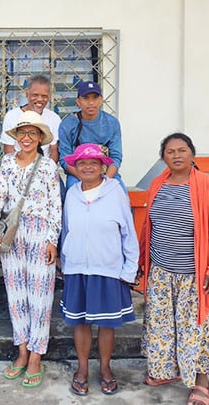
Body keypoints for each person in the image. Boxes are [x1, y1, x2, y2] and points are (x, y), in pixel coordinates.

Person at [140, 133, 209, 405]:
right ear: (163, 157)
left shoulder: (205, 185)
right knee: (163, 326)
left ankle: (202, 381)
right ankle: (167, 371)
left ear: (192, 154)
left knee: (197, 329)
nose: (176, 155)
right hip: (161, 272)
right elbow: (148, 227)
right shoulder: (158, 183)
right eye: (170, 151)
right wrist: (143, 264)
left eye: (182, 150)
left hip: (194, 275)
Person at [0, 111, 62, 389]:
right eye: (23, 133)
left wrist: (52, 239)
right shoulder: (7, 163)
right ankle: (23, 350)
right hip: (13, 234)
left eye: (33, 133)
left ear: (40, 138)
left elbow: (55, 206)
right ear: (16, 137)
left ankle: (37, 356)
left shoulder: (49, 166)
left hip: (40, 233)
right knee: (17, 295)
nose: (27, 138)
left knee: (40, 296)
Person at [59, 143, 139, 396]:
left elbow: (128, 232)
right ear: (76, 167)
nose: (88, 167)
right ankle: (82, 369)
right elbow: (66, 229)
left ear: (103, 167)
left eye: (94, 162)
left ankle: (105, 368)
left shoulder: (115, 192)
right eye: (82, 163)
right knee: (80, 323)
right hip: (77, 268)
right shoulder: (72, 193)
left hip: (107, 269)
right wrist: (64, 261)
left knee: (106, 324)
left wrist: (129, 269)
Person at [58, 81, 125, 191]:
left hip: (106, 173)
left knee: (122, 196)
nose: (91, 102)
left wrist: (105, 181)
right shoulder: (67, 125)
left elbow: (116, 157)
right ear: (78, 101)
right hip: (78, 175)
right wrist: (85, 178)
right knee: (72, 194)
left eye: (95, 98)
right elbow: (65, 159)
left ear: (101, 99)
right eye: (86, 98)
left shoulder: (112, 123)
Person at [0, 74, 61, 162]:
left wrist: (48, 170)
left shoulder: (54, 118)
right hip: (18, 166)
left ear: (49, 96)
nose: (40, 99)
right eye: (35, 95)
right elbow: (9, 150)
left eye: (44, 96)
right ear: (27, 94)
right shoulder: (12, 116)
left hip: (45, 167)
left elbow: (54, 151)